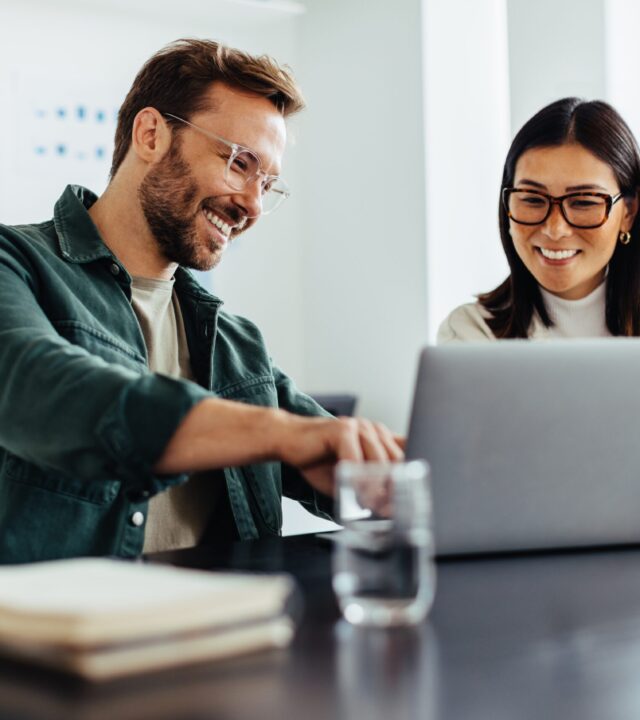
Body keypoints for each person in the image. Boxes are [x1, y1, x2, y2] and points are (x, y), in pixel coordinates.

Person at [0, 39, 403, 564]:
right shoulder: (17, 263)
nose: (252, 205)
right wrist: (278, 433)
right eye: (239, 163)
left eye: (268, 184)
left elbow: (329, 446)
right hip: (65, 639)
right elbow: (41, 385)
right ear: (151, 135)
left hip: (231, 631)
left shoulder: (238, 345)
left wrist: (391, 466)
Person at [438, 97, 640, 342]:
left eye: (583, 202)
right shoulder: (471, 332)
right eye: (533, 199)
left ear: (628, 213)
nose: (555, 229)